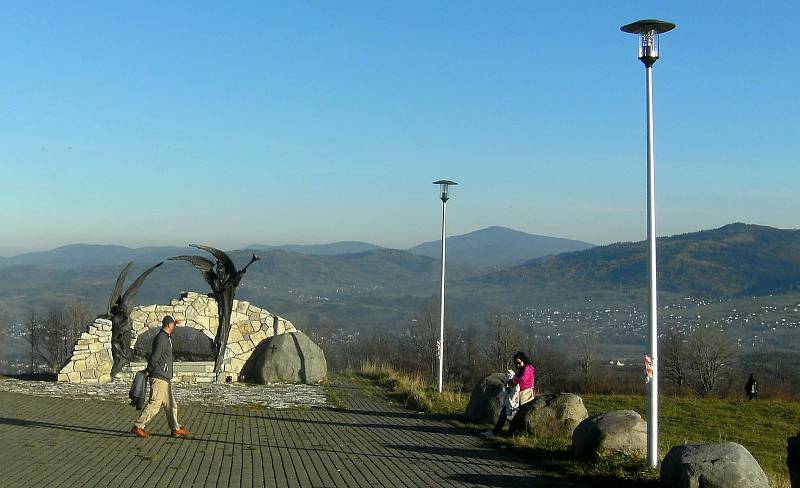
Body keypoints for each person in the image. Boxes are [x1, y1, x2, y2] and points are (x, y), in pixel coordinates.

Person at [131, 315, 191, 438]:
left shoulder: (165, 337)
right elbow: (154, 357)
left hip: (164, 377)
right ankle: (138, 426)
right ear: (169, 325)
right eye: (173, 324)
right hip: (159, 376)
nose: (174, 326)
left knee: (171, 405)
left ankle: (175, 428)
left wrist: (176, 324)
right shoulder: (162, 339)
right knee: (155, 404)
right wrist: (150, 370)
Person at [480, 351, 535, 439]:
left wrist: (512, 381)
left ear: (523, 360)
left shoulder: (527, 369)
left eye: (519, 363)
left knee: (507, 413)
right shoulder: (525, 368)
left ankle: (497, 433)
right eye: (515, 363)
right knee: (505, 412)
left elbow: (523, 380)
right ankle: (497, 433)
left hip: (524, 397)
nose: (517, 365)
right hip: (519, 396)